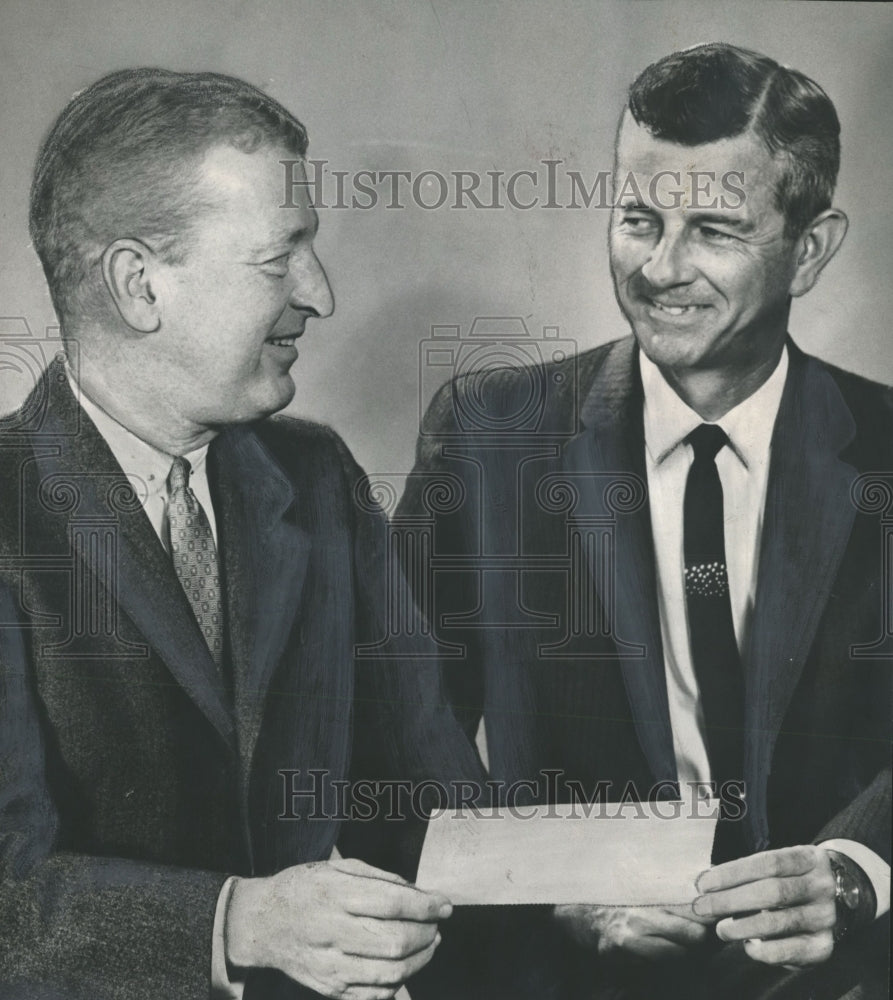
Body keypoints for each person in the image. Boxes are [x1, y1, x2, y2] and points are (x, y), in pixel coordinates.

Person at [399, 43, 891, 999]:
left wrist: (854, 873)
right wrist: (554, 888)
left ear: (812, 247)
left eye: (712, 227)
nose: (660, 269)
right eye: (637, 219)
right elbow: (404, 735)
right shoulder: (488, 434)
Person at [0, 68, 485, 1000]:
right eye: (280, 257)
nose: (320, 293)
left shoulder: (315, 477)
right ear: (138, 284)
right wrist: (241, 922)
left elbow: (433, 798)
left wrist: (581, 894)